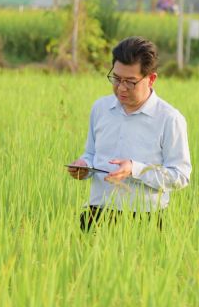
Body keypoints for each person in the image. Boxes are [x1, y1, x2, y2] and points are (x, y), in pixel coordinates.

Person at [67, 36, 192, 231]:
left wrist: (135, 169)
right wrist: (83, 166)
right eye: (116, 79)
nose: (121, 88)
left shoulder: (169, 119)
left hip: (145, 220)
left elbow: (180, 175)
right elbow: (91, 154)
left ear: (151, 79)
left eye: (131, 82)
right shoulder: (100, 108)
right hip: (96, 213)